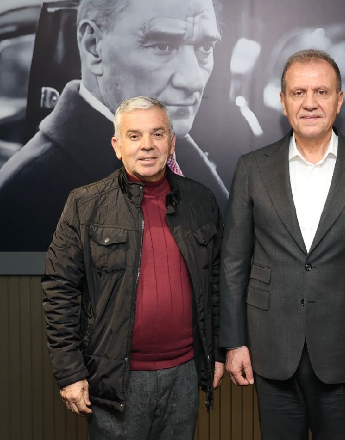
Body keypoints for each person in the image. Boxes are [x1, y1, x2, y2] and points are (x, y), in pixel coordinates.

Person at [0, 0, 228, 251]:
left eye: (205, 47)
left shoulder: (177, 157)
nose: (193, 79)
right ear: (93, 46)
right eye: (163, 46)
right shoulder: (26, 200)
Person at [219, 49, 345, 439]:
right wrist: (233, 342)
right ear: (283, 100)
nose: (309, 103)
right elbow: (233, 264)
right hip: (270, 347)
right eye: (298, 92)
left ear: (339, 99)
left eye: (321, 92)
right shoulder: (252, 168)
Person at [42, 96, 224, 439]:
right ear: (117, 145)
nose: (147, 145)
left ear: (172, 143)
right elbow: (59, 290)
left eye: (157, 134)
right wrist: (69, 372)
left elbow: (216, 285)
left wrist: (216, 352)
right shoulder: (85, 205)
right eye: (134, 136)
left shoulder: (201, 202)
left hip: (184, 374)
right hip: (116, 379)